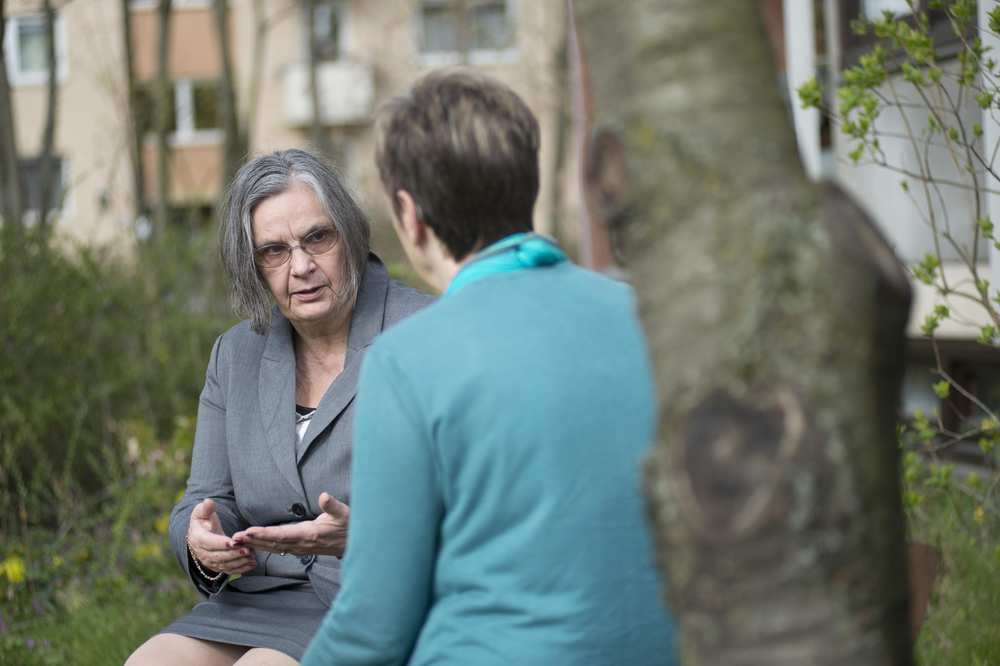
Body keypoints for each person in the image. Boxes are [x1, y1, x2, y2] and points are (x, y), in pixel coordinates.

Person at [301, 70, 678, 665]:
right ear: (524, 185)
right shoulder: (651, 318)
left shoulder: (407, 362)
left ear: (410, 215)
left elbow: (374, 628)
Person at [126, 149, 432, 666]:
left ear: (350, 234)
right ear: (253, 266)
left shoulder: (425, 333)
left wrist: (363, 535)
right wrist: (204, 539)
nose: (302, 267)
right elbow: (204, 498)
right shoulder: (235, 353)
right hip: (261, 599)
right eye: (274, 250)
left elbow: (472, 508)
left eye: (317, 237)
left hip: (381, 597)